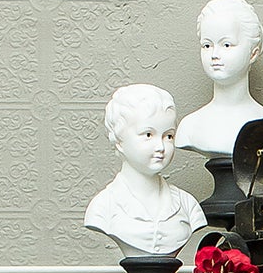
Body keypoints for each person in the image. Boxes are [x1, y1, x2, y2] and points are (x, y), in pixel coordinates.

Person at [86, 84, 207, 256]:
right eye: (148, 135)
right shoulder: (103, 207)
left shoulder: (188, 206)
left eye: (169, 136)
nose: (160, 147)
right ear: (119, 140)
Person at [174, 0, 263, 160]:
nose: (214, 55)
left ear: (253, 53)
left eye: (226, 45)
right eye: (207, 45)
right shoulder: (190, 126)